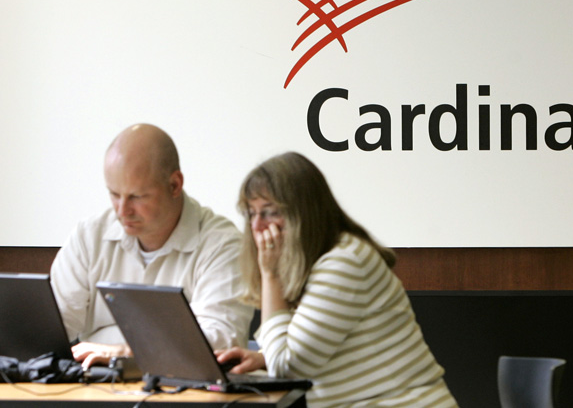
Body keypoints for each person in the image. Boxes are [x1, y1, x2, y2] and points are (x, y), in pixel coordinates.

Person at [215, 152, 458, 407]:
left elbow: (287, 368)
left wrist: (271, 275)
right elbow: (302, 349)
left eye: (270, 212)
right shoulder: (321, 260)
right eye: (251, 213)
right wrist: (264, 357)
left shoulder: (343, 263)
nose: (257, 227)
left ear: (305, 212)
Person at [50, 124, 253, 369]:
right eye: (114, 194)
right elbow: (51, 325)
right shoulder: (89, 236)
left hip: (182, 389)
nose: (122, 211)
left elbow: (221, 340)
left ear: (175, 185)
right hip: (94, 384)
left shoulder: (222, 244)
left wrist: (124, 353)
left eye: (137, 197)